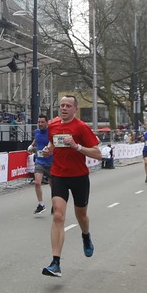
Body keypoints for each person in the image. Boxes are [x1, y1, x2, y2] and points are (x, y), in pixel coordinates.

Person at [40, 95, 102, 277]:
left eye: (68, 106)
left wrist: (77, 147)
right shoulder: (53, 125)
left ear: (75, 109)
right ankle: (55, 263)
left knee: (81, 215)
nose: (64, 108)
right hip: (59, 175)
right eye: (62, 105)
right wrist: (48, 150)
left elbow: (98, 154)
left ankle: (85, 235)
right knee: (58, 215)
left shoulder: (81, 127)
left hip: (79, 177)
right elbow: (52, 144)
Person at [28, 114, 51, 214]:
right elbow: (36, 139)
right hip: (39, 161)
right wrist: (31, 145)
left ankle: (55, 203)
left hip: (51, 162)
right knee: (37, 182)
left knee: (53, 186)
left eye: (42, 122)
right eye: (39, 122)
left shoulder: (51, 132)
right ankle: (41, 204)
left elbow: (53, 142)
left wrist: (48, 149)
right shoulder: (37, 131)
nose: (40, 124)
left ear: (47, 123)